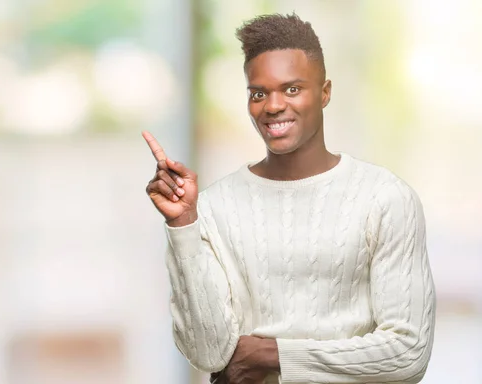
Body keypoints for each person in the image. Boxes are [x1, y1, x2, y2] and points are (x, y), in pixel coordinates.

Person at [143, 13, 435, 384]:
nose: (273, 106)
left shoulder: (386, 198)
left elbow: (407, 353)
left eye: (292, 89)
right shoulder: (213, 208)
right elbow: (209, 354)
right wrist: (182, 223)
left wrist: (270, 353)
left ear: (325, 92)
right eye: (258, 93)